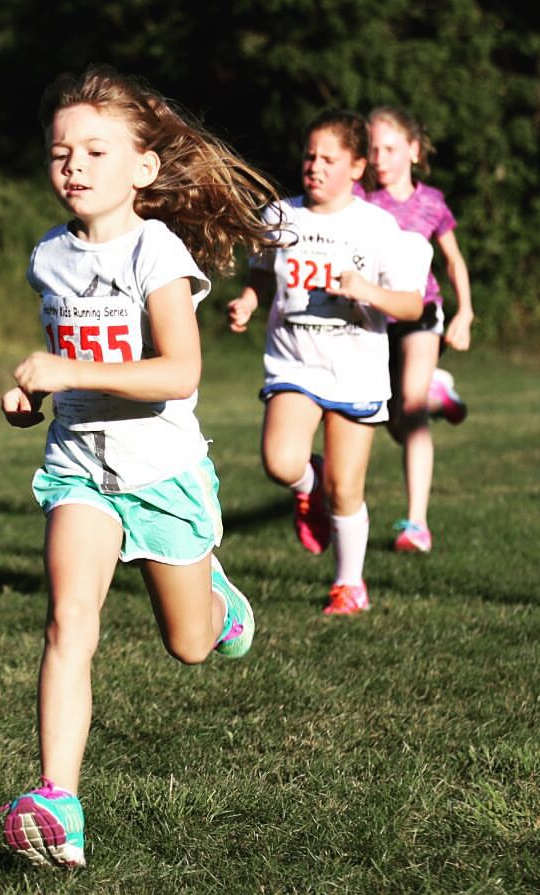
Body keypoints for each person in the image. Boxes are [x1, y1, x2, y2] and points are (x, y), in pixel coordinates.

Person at [0, 65, 279, 868]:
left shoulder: (158, 252)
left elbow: (177, 373)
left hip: (162, 472)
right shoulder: (48, 257)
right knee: (67, 621)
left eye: (94, 150)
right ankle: (58, 801)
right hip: (79, 467)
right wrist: (29, 402)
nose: (74, 167)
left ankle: (216, 596)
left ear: (142, 169)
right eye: (60, 153)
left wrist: (66, 374)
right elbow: (64, 362)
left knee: (191, 645)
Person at [227, 109, 432, 615]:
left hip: (356, 369)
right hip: (295, 364)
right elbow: (261, 273)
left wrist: (365, 290)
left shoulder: (378, 227)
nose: (314, 166)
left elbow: (412, 305)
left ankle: (348, 583)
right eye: (309, 156)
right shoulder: (281, 216)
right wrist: (250, 301)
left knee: (346, 489)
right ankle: (305, 484)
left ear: (357, 167)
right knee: (280, 462)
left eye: (329, 159)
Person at [354, 105, 474, 554]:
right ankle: (437, 390)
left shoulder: (431, 203)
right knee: (394, 418)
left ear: (414, 151)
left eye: (389, 148)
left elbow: (454, 260)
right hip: (373, 320)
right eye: (372, 150)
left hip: (422, 314)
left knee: (411, 406)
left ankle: (416, 524)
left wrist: (465, 313)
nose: (380, 158)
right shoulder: (358, 201)